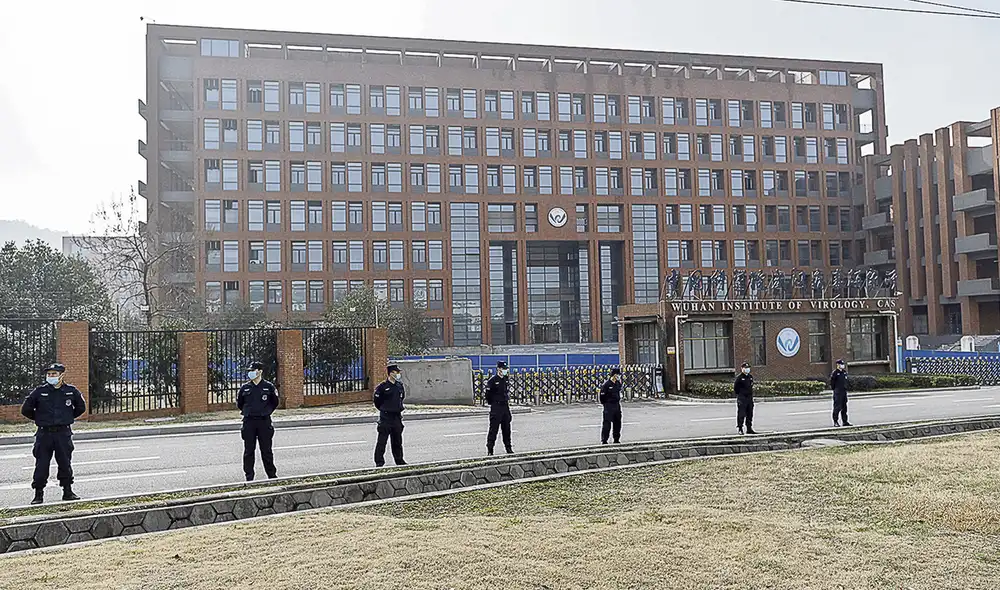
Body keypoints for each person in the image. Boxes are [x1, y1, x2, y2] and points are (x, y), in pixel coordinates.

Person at [20, 362, 86, 505]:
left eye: (54, 374)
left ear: (61, 375)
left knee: (65, 462)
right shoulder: (39, 392)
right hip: (44, 434)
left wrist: (66, 418)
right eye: (49, 374)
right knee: (41, 464)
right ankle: (38, 494)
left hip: (63, 433)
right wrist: (40, 419)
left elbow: (81, 408)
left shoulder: (71, 391)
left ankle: (67, 491)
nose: (51, 376)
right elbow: (26, 409)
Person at [236, 361, 279, 481]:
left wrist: (266, 412)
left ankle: (272, 476)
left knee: (266, 451)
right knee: (249, 451)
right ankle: (249, 477)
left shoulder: (269, 387)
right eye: (249, 371)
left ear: (259, 371)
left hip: (263, 422)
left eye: (252, 370)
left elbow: (274, 402)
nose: (250, 373)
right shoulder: (245, 388)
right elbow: (240, 404)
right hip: (249, 422)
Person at [373, 364, 407, 467]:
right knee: (382, 442)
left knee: (397, 441)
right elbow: (377, 402)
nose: (398, 374)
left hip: (396, 417)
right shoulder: (382, 387)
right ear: (391, 373)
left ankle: (399, 460)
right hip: (386, 417)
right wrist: (385, 409)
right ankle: (379, 462)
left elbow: (401, 398)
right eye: (396, 372)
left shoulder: (399, 386)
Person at [485, 361, 514, 455]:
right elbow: (488, 395)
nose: (505, 371)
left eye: (506, 369)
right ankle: (490, 448)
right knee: (494, 430)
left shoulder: (505, 379)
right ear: (498, 369)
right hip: (496, 407)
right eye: (503, 369)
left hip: (505, 406)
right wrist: (493, 403)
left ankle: (508, 448)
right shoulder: (492, 380)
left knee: (507, 429)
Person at [599, 367, 624, 444]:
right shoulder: (606, 385)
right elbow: (602, 397)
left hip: (616, 405)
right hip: (608, 406)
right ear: (614, 375)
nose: (618, 376)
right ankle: (604, 440)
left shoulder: (618, 384)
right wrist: (606, 404)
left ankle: (616, 439)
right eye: (617, 375)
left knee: (617, 423)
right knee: (607, 423)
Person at [734, 362, 757, 435]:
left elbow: (751, 386)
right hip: (742, 398)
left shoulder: (750, 377)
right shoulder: (739, 378)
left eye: (748, 368)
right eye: (745, 368)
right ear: (742, 369)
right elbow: (736, 388)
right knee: (741, 414)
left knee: (750, 413)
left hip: (749, 398)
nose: (747, 369)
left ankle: (749, 428)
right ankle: (740, 428)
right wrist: (740, 395)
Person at [831, 359, 852, 427]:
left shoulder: (844, 372)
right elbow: (832, 383)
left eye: (842, 364)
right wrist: (835, 389)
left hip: (844, 392)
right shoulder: (835, 373)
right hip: (838, 392)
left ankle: (845, 421)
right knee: (837, 407)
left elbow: (846, 381)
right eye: (841, 364)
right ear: (837, 365)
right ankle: (835, 421)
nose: (842, 365)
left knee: (844, 408)